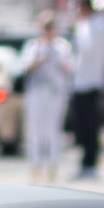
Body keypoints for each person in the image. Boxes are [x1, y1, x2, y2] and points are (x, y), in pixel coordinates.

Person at [18, 12, 74, 182]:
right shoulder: (33, 46)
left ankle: (52, 166)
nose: (48, 30)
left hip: (55, 93)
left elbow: (70, 67)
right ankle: (34, 166)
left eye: (51, 27)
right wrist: (40, 58)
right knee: (35, 130)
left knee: (53, 130)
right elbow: (26, 68)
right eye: (46, 27)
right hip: (36, 92)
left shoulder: (62, 46)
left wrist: (56, 57)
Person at [68, 0, 104, 179]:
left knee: (91, 126)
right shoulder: (88, 25)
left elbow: (87, 49)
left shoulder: (96, 25)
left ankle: (91, 163)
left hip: (91, 81)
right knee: (82, 126)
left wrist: (77, 29)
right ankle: (84, 163)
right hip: (81, 81)